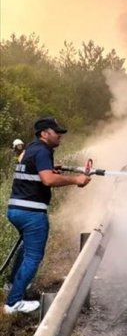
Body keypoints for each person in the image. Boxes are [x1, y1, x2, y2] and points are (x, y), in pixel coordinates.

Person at [4, 117, 92, 315]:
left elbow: (37, 171)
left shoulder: (33, 149)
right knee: (34, 256)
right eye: (56, 131)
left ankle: (12, 286)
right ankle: (13, 303)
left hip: (16, 209)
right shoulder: (43, 151)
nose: (60, 135)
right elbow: (48, 179)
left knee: (27, 249)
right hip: (32, 213)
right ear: (44, 133)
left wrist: (51, 168)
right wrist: (76, 179)